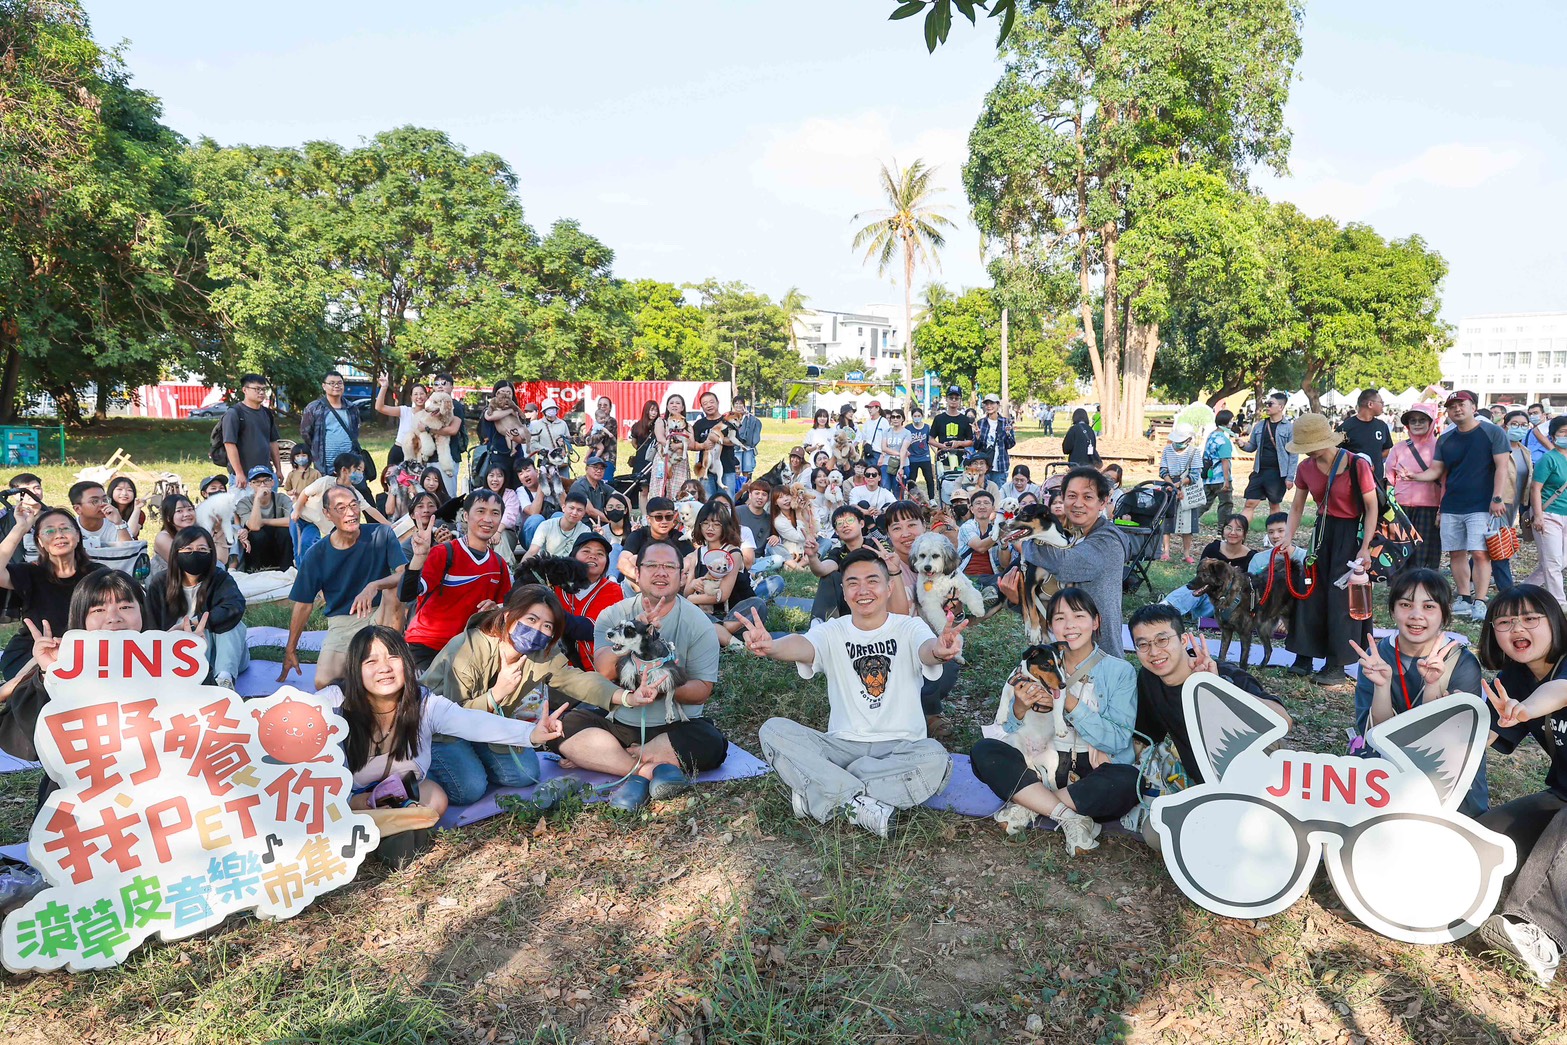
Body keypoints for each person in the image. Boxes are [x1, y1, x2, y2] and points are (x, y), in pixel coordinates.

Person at [746, 548, 963, 837]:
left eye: (872, 581)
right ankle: (860, 802)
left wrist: (939, 650)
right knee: (774, 731)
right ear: (845, 592)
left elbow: (927, 651)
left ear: (888, 588)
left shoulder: (910, 626)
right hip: (841, 748)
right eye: (853, 583)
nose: (863, 590)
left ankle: (826, 794)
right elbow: (803, 645)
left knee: (936, 758)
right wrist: (773, 646)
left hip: (901, 747)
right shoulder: (833, 630)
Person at [324, 625, 571, 867]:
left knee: (436, 799)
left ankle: (380, 830)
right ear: (356, 669)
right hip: (341, 797)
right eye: (371, 662)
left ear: (406, 663)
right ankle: (385, 827)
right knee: (336, 810)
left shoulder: (423, 703)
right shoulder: (335, 701)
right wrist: (350, 800)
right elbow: (289, 718)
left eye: (393, 657)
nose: (385, 668)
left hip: (399, 791)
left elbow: (472, 722)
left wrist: (531, 734)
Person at [419, 585, 655, 805]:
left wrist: (626, 697)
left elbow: (577, 679)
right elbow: (453, 715)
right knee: (470, 788)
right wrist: (497, 693)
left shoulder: (540, 654)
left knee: (525, 774)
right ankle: (421, 766)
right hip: (441, 731)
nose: (537, 630)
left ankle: (470, 761)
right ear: (507, 616)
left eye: (547, 626)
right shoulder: (468, 647)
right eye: (531, 619)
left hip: (487, 725)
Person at [555, 539, 726, 811]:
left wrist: (660, 689)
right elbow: (606, 670)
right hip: (622, 719)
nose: (661, 572)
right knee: (564, 727)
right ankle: (648, 770)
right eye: (652, 565)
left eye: (669, 566)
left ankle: (621, 759)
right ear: (636, 571)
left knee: (713, 744)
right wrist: (637, 630)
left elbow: (702, 689)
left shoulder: (699, 623)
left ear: (682, 576)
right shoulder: (613, 615)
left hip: (674, 726)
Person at [971, 588, 1139, 853]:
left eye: (1079, 616)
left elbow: (1119, 739)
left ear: (1096, 622)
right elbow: (1007, 730)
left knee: (1127, 780)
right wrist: (1019, 708)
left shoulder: (1120, 671)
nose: (1069, 625)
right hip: (1038, 762)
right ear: (1050, 626)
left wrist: (1069, 703)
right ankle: (1069, 816)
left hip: (1090, 769)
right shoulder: (1036, 664)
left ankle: (1031, 804)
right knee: (985, 751)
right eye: (1060, 618)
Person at [1470, 588, 1567, 983]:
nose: (1517, 629)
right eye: (1505, 622)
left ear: (1554, 622)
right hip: (1561, 794)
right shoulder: (1513, 678)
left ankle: (1539, 932)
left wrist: (1526, 708)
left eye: (1530, 619)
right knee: (1484, 838)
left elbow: (1559, 690)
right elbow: (1480, 738)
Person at [1348, 568, 1486, 815]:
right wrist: (1382, 687)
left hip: (1445, 770)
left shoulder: (1461, 663)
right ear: (1392, 610)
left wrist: (1432, 685)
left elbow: (1448, 743)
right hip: (1387, 762)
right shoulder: (1378, 657)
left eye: (1429, 607)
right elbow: (1374, 734)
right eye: (1405, 604)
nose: (1416, 615)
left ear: (1444, 615)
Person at [1128, 602, 1292, 793]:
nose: (1154, 652)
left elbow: (1284, 721)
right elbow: (1145, 738)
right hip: (1207, 787)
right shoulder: (1149, 679)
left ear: (1183, 641)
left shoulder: (1223, 673)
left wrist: (1219, 688)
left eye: (1162, 640)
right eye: (1143, 644)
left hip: (1264, 783)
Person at [1276, 413, 1377, 683]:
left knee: (1341, 598)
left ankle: (1336, 664)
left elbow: (1371, 507)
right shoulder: (1306, 467)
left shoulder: (1356, 465)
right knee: (1309, 591)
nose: (1308, 452)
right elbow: (1297, 506)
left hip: (1350, 533)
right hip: (1321, 532)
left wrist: (1365, 547)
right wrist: (1288, 536)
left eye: (1312, 446)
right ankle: (1304, 655)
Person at [281, 484, 407, 686]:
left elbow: (404, 575)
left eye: (354, 505)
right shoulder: (316, 554)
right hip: (343, 622)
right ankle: (362, 667)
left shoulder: (381, 534)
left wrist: (374, 585)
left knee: (392, 590)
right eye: (341, 508)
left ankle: (389, 653)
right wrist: (291, 648)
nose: (351, 513)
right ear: (327, 514)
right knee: (323, 682)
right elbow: (304, 604)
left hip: (379, 614)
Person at [1400, 390, 1510, 621]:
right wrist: (1413, 476)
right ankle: (1464, 597)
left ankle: (1480, 601)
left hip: (1482, 505)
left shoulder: (1492, 432)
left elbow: (1502, 467)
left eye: (1462, 404)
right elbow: (1437, 471)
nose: (1457, 409)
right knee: (1456, 552)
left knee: (1480, 553)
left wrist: (1497, 497)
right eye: (1452, 406)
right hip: (1452, 504)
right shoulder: (1446, 438)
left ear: (1473, 407)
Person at [1012, 467, 1125, 656]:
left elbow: (1062, 564)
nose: (1078, 504)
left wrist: (1024, 541)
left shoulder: (1108, 540)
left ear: (1103, 502)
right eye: (1072, 496)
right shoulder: (1068, 536)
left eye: (1088, 497)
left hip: (1100, 654)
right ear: (1062, 498)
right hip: (1063, 645)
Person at [399, 490, 512, 669]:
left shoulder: (499, 565)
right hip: (427, 646)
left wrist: (494, 610)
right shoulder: (444, 553)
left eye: (495, 513)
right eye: (481, 511)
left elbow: (504, 610)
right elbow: (406, 594)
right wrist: (418, 558)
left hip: (467, 650)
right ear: (466, 516)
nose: (488, 519)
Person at [0, 505, 104, 679]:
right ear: (40, 542)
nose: (59, 535)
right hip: (35, 651)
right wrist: (20, 528)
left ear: (78, 536)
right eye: (49, 531)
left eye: (65, 529)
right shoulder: (30, 573)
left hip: (87, 651)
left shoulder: (98, 574)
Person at [144, 524, 249, 687]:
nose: (194, 554)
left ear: (210, 553)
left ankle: (224, 680)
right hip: (177, 652)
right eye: (188, 549)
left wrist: (196, 622)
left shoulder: (220, 578)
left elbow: (234, 607)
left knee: (233, 623)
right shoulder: (160, 583)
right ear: (176, 553)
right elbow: (150, 624)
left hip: (220, 651)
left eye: (201, 549)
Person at [683, 501, 768, 647]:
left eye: (716, 524)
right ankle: (728, 639)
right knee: (690, 614)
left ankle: (718, 631)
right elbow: (685, 594)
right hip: (706, 614)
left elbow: (722, 595)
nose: (710, 528)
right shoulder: (697, 554)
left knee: (757, 604)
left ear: (725, 527)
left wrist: (692, 600)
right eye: (705, 523)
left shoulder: (733, 553)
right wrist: (691, 586)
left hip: (734, 613)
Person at [1160, 513, 1256, 622]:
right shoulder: (1213, 548)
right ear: (1223, 531)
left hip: (1227, 605)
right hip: (1204, 596)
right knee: (1198, 588)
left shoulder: (1252, 557)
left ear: (1244, 534)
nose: (1232, 532)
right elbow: (1200, 577)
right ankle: (1163, 609)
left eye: (1238, 529)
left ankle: (1176, 610)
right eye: (1229, 528)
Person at [1387, 402, 1443, 572]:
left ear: (1430, 422)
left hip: (1429, 508)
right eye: (1413, 421)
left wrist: (1442, 509)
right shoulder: (1399, 448)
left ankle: (1424, 590)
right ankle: (1400, 590)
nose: (1417, 424)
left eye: (1422, 420)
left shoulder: (1440, 447)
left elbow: (1446, 480)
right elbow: (1390, 478)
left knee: (1424, 554)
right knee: (1400, 552)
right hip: (1402, 508)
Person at [557, 531, 624, 668]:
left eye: (600, 554)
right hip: (557, 668)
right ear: (573, 556)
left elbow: (593, 629)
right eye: (586, 551)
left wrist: (551, 613)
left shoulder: (612, 590)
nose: (593, 556)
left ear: (606, 563)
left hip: (595, 670)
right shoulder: (557, 585)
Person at [616, 497, 695, 594]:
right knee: (633, 561)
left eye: (668, 517)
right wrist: (646, 579)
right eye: (659, 517)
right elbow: (622, 562)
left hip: (669, 584)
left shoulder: (678, 537)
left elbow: (692, 558)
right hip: (641, 585)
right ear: (649, 519)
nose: (664, 521)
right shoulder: (638, 535)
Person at [806, 505, 870, 621]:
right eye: (839, 523)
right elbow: (821, 570)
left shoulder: (875, 546)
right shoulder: (837, 553)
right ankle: (821, 624)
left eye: (850, 520)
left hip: (873, 598)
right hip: (848, 604)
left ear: (861, 524)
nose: (845, 525)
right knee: (829, 576)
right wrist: (812, 556)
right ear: (836, 531)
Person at [1496, 408, 1535, 593]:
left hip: (1514, 505)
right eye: (1514, 424)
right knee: (1500, 545)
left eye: (1523, 425)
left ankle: (1470, 574)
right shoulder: (1497, 447)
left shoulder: (1525, 451)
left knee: (1493, 543)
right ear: (1505, 425)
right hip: (1497, 504)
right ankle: (1507, 589)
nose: (1519, 428)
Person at [1241, 392, 1296, 521]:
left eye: (1270, 404)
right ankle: (1240, 535)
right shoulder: (1259, 425)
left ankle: (1274, 538)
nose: (1267, 406)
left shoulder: (1289, 428)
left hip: (1277, 473)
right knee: (1250, 503)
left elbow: (1293, 454)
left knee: (1274, 505)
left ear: (1281, 407)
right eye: (1267, 403)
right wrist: (1242, 445)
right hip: (1259, 471)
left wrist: (1290, 477)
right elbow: (1251, 447)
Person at [299, 372, 362, 483]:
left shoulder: (352, 408)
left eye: (339, 383)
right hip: (325, 464)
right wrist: (316, 448)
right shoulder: (314, 408)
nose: (336, 386)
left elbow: (355, 432)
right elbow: (306, 433)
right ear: (324, 386)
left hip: (349, 463)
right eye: (332, 383)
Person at [221, 373, 282, 487]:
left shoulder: (267, 413)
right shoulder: (234, 413)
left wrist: (278, 470)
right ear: (245, 390)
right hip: (244, 477)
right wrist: (239, 473)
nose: (261, 392)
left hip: (267, 475)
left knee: (271, 505)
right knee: (244, 505)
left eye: (264, 389)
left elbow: (273, 442)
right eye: (257, 389)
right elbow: (229, 444)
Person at [233, 465, 294, 571]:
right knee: (257, 534)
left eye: (266, 480)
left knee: (284, 532)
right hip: (257, 548)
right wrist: (257, 499)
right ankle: (255, 569)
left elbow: (291, 521)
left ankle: (286, 568)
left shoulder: (282, 499)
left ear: (273, 482)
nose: (262, 485)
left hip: (278, 546)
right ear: (250, 485)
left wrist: (264, 521)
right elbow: (255, 526)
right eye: (257, 482)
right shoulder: (244, 503)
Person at [1160, 423, 1205, 563]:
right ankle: (1166, 550)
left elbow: (1195, 474)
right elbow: (1163, 471)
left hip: (1187, 486)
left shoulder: (1194, 452)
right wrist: (1172, 485)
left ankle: (1186, 553)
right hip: (1170, 484)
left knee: (1188, 524)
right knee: (1167, 521)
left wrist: (1179, 485)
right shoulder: (1167, 450)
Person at [957, 489, 1011, 604]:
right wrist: (1000, 533)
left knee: (1010, 574)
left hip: (989, 577)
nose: (982, 506)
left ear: (992, 508)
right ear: (971, 509)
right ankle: (988, 593)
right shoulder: (967, 527)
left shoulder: (996, 529)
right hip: (966, 576)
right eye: (978, 503)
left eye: (986, 503)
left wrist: (1004, 544)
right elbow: (980, 547)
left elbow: (1004, 564)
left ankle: (989, 592)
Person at [1336, 389, 1392, 484]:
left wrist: (1374, 458)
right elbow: (1334, 452)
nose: (1383, 405)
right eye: (1381, 402)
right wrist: (1356, 462)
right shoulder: (1346, 427)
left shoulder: (1382, 426)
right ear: (1370, 404)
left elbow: (1386, 450)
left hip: (1377, 482)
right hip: (1352, 483)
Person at [930, 387, 975, 500]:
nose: (953, 400)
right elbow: (930, 439)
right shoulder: (939, 418)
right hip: (943, 458)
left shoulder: (964, 419)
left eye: (956, 398)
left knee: (960, 486)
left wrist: (959, 443)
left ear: (960, 400)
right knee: (944, 486)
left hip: (960, 459)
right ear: (946, 399)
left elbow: (970, 441)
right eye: (951, 398)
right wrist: (942, 446)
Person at [375, 376, 432, 465]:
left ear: (427, 395)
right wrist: (384, 387)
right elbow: (380, 407)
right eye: (415, 394)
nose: (419, 397)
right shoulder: (405, 411)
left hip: (418, 456)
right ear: (411, 397)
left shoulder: (431, 416)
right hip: (399, 452)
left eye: (422, 393)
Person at [521, 490, 591, 560]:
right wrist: (521, 569)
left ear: (584, 513)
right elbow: (532, 552)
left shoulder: (585, 530)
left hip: (569, 567)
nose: (574, 513)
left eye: (579, 510)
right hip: (545, 564)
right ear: (563, 508)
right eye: (571, 508)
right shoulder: (546, 526)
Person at [650, 394, 694, 500]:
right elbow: (660, 438)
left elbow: (692, 444)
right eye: (671, 403)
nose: (674, 405)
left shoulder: (688, 426)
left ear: (683, 407)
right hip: (663, 458)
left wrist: (678, 446)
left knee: (678, 489)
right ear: (667, 406)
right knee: (659, 488)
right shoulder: (661, 421)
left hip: (679, 460)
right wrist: (671, 446)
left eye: (678, 403)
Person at [69, 481, 131, 549]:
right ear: (78, 509)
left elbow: (129, 551)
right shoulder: (70, 528)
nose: (102, 504)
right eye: (95, 501)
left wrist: (119, 524)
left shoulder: (116, 524)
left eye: (104, 499)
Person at [1202, 410, 1236, 527]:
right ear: (1226, 422)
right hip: (1220, 477)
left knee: (1204, 503)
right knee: (1226, 504)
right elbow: (1225, 460)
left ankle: (1189, 522)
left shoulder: (1211, 436)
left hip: (1208, 477)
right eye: (1231, 420)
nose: (1233, 423)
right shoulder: (1224, 440)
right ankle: (1223, 528)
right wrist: (1227, 480)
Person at [973, 393, 1015, 483]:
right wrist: (977, 437)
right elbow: (976, 447)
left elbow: (1010, 444)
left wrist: (1008, 434)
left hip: (1000, 466)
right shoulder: (981, 423)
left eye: (992, 403)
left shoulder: (1005, 422)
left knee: (998, 494)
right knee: (982, 494)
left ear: (998, 405)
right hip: (983, 466)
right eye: (987, 404)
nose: (989, 406)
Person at [626, 400, 662, 507]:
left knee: (656, 490)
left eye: (656, 410)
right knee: (643, 490)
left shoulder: (660, 425)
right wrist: (645, 451)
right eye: (651, 410)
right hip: (641, 461)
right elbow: (634, 443)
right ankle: (643, 515)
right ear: (646, 411)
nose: (654, 413)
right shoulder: (637, 426)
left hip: (656, 460)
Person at [568, 455, 612, 524]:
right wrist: (612, 522)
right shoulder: (579, 486)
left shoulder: (601, 484)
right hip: (583, 524)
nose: (599, 471)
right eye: (595, 467)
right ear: (586, 469)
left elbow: (622, 497)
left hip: (600, 522)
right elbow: (590, 511)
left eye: (602, 469)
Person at [903, 405, 935, 500]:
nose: (917, 418)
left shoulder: (926, 427)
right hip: (912, 458)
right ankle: (911, 497)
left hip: (925, 457)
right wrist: (905, 452)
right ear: (912, 417)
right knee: (912, 479)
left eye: (918, 415)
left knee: (929, 479)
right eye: (915, 416)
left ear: (922, 416)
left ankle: (932, 498)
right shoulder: (908, 428)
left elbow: (930, 441)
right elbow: (904, 443)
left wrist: (936, 451)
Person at [105, 477, 146, 542]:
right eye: (119, 489)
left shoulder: (139, 513)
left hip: (129, 549)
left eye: (129, 490)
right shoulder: (104, 511)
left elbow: (131, 534)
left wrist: (137, 508)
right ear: (111, 491)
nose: (124, 493)